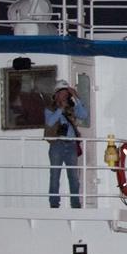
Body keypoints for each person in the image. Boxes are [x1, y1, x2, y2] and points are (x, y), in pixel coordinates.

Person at [45, 79, 88, 208]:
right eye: (62, 92)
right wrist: (60, 109)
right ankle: (54, 204)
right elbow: (50, 122)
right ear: (56, 94)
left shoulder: (72, 108)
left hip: (71, 145)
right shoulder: (50, 109)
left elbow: (84, 115)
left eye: (66, 93)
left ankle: (75, 203)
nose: (64, 95)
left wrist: (76, 97)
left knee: (74, 177)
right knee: (54, 175)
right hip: (57, 144)